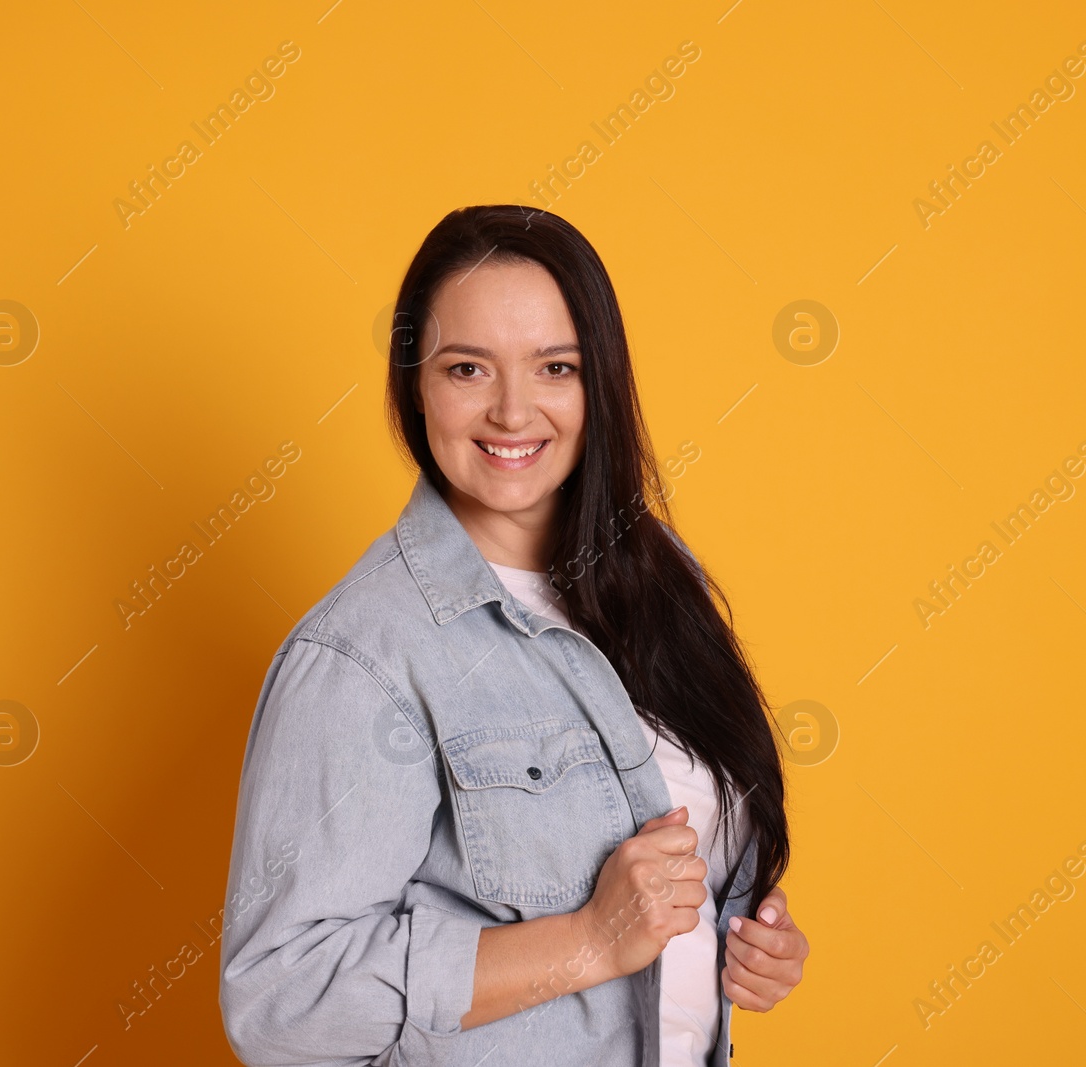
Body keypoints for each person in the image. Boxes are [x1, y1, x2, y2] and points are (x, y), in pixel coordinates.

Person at [218, 205, 807, 1067]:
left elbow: (680, 868)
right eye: (467, 368)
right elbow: (281, 999)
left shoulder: (659, 583)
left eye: (554, 367)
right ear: (415, 384)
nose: (512, 411)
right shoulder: (361, 655)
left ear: (597, 382)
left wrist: (746, 938)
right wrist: (588, 941)